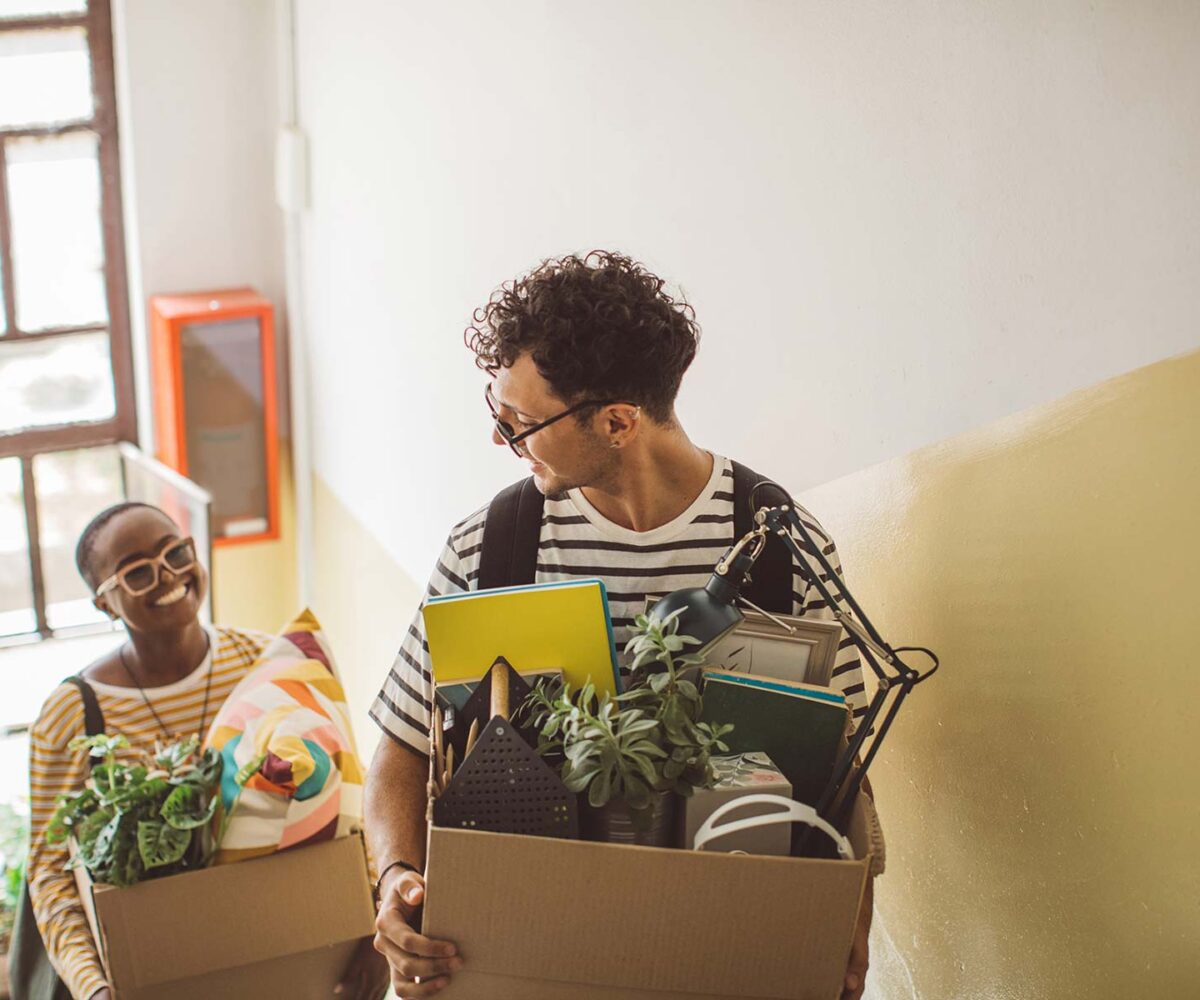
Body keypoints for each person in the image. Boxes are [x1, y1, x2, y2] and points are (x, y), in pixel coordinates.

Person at [366, 251, 874, 1000]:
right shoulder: (490, 545)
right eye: (497, 415)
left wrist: (847, 922)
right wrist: (396, 878)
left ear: (616, 421)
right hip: (533, 957)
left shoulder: (778, 547)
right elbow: (402, 748)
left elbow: (845, 768)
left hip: (721, 956)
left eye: (520, 423)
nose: (502, 441)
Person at [21, 502, 387, 1000]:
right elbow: (51, 871)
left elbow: (350, 791)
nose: (168, 575)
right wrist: (94, 988)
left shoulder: (263, 661)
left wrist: (375, 926)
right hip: (159, 969)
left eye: (176, 552)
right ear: (104, 603)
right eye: (137, 572)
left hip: (284, 948)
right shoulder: (72, 714)